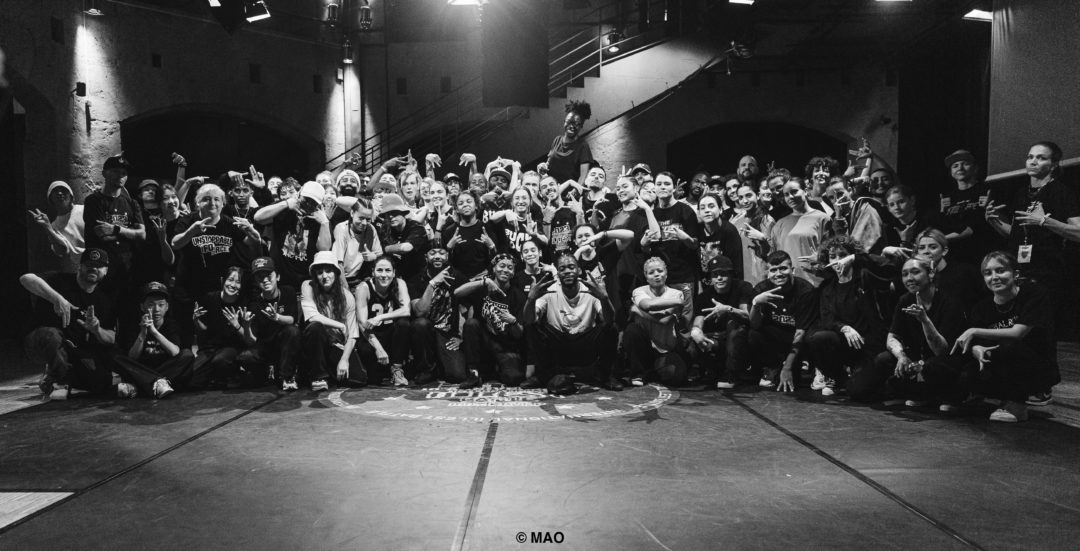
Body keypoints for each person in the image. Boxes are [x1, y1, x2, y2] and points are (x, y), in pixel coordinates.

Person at [985, 141, 1080, 402]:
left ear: (1054, 164)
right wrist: (995, 222)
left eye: (1041, 157)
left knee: (1041, 330)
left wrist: (1045, 220)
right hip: (1019, 271)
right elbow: (1017, 235)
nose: (1033, 161)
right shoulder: (1022, 194)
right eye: (1030, 156)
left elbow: (1078, 231)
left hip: (1047, 272)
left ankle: (1044, 385)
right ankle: (1024, 382)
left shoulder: (1060, 192)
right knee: (1022, 330)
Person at [949, 252, 1058, 422]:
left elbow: (1018, 333)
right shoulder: (981, 307)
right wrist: (977, 349)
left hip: (1037, 367)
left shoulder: (1034, 294)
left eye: (1000, 271)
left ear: (1016, 274)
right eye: (988, 273)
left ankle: (1018, 406)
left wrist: (974, 330)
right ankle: (982, 398)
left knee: (1009, 345)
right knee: (968, 373)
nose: (994, 277)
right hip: (1003, 364)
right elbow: (978, 344)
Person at [171, 183, 261, 347]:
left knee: (212, 331)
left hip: (215, 287)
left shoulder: (229, 223)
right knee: (187, 328)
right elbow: (175, 243)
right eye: (206, 199)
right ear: (198, 202)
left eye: (217, 199)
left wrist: (252, 231)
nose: (212, 203)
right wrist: (192, 231)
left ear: (223, 203)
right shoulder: (188, 220)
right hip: (189, 284)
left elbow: (254, 243)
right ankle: (187, 358)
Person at [20, 249, 118, 399]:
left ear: (106, 271)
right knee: (52, 335)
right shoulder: (60, 280)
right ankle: (60, 382)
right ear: (80, 266)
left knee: (100, 382)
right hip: (40, 342)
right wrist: (57, 298)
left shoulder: (104, 301)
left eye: (98, 266)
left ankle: (51, 377)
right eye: (89, 265)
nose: (93, 269)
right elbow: (26, 278)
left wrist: (97, 330)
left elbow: (111, 337)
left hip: (72, 349)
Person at [804, 236, 892, 398]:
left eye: (843, 255)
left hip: (870, 346)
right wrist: (844, 328)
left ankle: (862, 379)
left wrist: (855, 258)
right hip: (847, 344)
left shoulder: (865, 277)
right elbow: (827, 318)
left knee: (858, 392)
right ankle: (839, 379)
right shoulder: (828, 287)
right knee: (817, 338)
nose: (838, 260)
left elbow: (889, 266)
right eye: (833, 256)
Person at [523, 252, 622, 392]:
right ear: (558, 273)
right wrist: (531, 299)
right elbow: (528, 320)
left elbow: (609, 319)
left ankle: (605, 376)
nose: (567, 271)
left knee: (611, 328)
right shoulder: (550, 291)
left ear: (579, 270)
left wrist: (604, 298)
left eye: (571, 267)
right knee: (533, 327)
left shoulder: (591, 291)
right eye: (562, 268)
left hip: (585, 344)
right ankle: (543, 376)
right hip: (559, 344)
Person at [878, 256, 966, 409]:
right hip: (918, 359)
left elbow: (941, 350)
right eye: (905, 274)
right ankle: (919, 393)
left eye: (915, 272)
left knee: (932, 366)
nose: (909, 278)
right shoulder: (905, 300)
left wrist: (925, 320)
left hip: (945, 362)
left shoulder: (949, 302)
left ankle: (946, 397)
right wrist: (901, 356)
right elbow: (892, 336)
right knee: (883, 360)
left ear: (930, 273)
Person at [748, 251, 819, 391]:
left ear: (793, 270)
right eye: (773, 270)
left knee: (796, 380)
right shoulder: (761, 289)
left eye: (783, 268)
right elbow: (754, 325)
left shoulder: (806, 291)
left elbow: (800, 333)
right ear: (768, 273)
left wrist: (787, 368)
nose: (778, 274)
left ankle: (813, 368)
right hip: (776, 340)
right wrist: (756, 304)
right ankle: (773, 366)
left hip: (799, 341)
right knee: (753, 334)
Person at [112, 282, 195, 399]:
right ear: (142, 307)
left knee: (187, 355)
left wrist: (154, 331)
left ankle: (140, 387)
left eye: (161, 305)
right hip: (141, 369)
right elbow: (132, 357)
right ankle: (157, 383)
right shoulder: (134, 325)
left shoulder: (171, 325)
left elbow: (175, 352)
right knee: (116, 357)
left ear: (167, 307)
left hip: (165, 369)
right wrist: (142, 334)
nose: (156, 309)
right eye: (151, 305)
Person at [456, 254, 527, 388]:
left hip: (505, 346)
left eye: (510, 268)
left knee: (513, 378)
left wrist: (513, 321)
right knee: (471, 324)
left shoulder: (518, 296)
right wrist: (483, 282)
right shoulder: (483, 287)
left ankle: (494, 368)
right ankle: (474, 373)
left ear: (513, 273)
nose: (505, 270)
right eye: (502, 266)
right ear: (494, 269)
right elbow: (457, 293)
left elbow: (519, 334)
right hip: (484, 342)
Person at [642, 171, 701, 324]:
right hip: (660, 279)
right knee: (662, 320)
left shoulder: (686, 210)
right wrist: (644, 244)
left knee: (684, 322)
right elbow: (649, 250)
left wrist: (685, 238)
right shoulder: (652, 213)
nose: (663, 187)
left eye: (667, 184)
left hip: (683, 276)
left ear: (674, 188)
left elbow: (695, 244)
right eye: (659, 184)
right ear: (655, 188)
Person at [301, 251, 366, 391]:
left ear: (336, 273)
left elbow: (352, 334)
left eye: (328, 271)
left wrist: (344, 360)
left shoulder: (347, 296)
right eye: (320, 273)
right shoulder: (308, 286)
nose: (324, 276)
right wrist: (340, 325)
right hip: (313, 344)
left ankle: (326, 372)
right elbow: (312, 316)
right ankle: (318, 377)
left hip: (335, 345)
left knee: (359, 379)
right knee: (316, 327)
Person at [236, 257, 301, 391]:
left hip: (285, 346)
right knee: (244, 357)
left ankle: (287, 377)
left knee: (292, 331)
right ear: (256, 281)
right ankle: (264, 373)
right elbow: (251, 341)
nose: (265, 280)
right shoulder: (254, 304)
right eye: (260, 277)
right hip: (265, 348)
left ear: (277, 276)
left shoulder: (288, 291)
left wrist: (277, 317)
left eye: (268, 275)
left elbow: (292, 319)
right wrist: (246, 326)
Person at [622, 256, 689, 386]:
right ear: (646, 277)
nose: (656, 275)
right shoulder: (639, 291)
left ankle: (652, 372)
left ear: (666, 273)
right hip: (644, 347)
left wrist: (637, 310)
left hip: (664, 349)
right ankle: (638, 373)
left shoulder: (676, 294)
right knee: (632, 330)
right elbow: (648, 305)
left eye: (660, 271)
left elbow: (664, 320)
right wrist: (677, 303)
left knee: (677, 376)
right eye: (651, 272)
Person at [254, 180, 332, 288]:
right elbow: (258, 218)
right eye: (306, 199)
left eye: (313, 202)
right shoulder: (285, 208)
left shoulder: (319, 218)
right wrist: (285, 204)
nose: (308, 204)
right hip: (282, 277)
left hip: (307, 279)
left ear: (319, 204)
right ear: (299, 194)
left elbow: (324, 249)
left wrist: (324, 223)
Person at [691, 256, 753, 389]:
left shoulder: (743, 287)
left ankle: (733, 374)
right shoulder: (704, 297)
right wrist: (696, 331)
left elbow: (747, 315)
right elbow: (698, 321)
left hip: (742, 340)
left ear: (730, 275)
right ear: (710, 278)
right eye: (715, 275)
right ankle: (708, 372)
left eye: (723, 274)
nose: (719, 278)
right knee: (693, 341)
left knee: (734, 325)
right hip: (718, 341)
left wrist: (728, 309)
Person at [82, 155, 145, 283]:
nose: (120, 176)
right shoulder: (93, 201)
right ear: (104, 173)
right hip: (101, 268)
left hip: (127, 268)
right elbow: (102, 234)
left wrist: (115, 229)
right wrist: (130, 233)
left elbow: (142, 235)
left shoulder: (132, 203)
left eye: (124, 173)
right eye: (116, 171)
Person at [409, 247, 465, 385]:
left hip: (447, 333)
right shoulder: (416, 280)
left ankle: (439, 364)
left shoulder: (457, 277)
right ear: (426, 257)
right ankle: (426, 369)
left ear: (447, 256)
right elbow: (420, 312)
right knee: (420, 323)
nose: (437, 256)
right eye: (432, 253)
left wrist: (462, 337)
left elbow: (468, 308)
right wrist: (432, 283)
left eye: (442, 253)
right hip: (425, 333)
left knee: (457, 376)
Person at [353, 256, 412, 386]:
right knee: (374, 379)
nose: (384, 275)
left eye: (388, 270)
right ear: (373, 272)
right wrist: (379, 349)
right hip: (371, 336)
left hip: (391, 335)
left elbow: (406, 310)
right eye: (380, 270)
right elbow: (362, 324)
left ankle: (397, 369)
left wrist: (379, 317)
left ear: (394, 273)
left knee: (404, 324)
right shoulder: (363, 288)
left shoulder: (399, 283)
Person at [192, 266, 252, 389]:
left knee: (220, 361)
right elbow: (204, 329)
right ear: (223, 280)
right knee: (193, 381)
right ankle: (217, 377)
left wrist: (236, 325)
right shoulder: (210, 298)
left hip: (232, 348)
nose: (233, 285)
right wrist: (196, 320)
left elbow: (247, 339)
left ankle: (235, 375)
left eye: (238, 282)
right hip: (210, 348)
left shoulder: (244, 303)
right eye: (230, 280)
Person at [764, 179, 831, 286]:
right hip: (789, 284)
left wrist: (821, 258)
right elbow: (775, 255)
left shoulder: (822, 218)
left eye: (794, 191)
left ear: (805, 191)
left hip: (815, 282)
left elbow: (831, 250)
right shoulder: (780, 223)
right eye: (786, 194)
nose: (790, 197)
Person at [938, 150, 999, 265]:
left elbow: (974, 228)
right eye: (955, 166)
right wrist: (942, 212)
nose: (960, 168)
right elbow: (944, 226)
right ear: (951, 172)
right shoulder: (948, 198)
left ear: (975, 168)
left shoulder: (986, 191)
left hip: (983, 254)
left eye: (965, 164)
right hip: (956, 258)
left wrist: (940, 239)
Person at [914, 228, 983, 311]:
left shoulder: (965, 272)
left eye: (933, 247)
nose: (926, 251)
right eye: (921, 248)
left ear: (944, 251)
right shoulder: (918, 277)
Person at [28, 181, 85, 274]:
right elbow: (62, 251)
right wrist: (47, 227)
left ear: (71, 196)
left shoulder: (84, 210)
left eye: (63, 190)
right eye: (55, 192)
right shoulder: (54, 226)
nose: (60, 193)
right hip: (80, 269)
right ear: (51, 200)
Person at [332, 198, 382, 289]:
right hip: (340, 278)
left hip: (360, 278)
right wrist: (346, 289)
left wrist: (373, 256)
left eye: (368, 219)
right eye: (361, 218)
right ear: (352, 213)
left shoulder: (371, 229)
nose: (364, 223)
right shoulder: (342, 229)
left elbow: (379, 254)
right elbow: (338, 264)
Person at [695, 193, 744, 282]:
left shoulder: (729, 231)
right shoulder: (697, 230)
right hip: (706, 282)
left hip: (725, 282)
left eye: (711, 206)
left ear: (720, 209)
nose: (707, 210)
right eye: (702, 208)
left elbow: (735, 265)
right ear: (699, 212)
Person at [543, 100, 593, 185]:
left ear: (581, 126)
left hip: (569, 191)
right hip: (552, 189)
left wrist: (575, 191)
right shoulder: (557, 140)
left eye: (576, 124)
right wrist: (543, 167)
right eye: (569, 122)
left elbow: (583, 176)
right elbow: (548, 164)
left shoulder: (583, 146)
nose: (572, 126)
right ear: (564, 122)